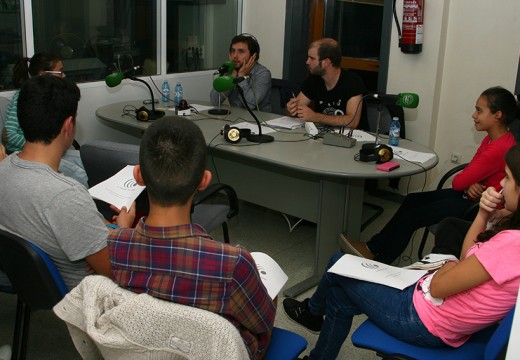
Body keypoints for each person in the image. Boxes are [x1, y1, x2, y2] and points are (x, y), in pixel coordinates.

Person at [283, 144, 520, 359]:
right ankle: (315, 331)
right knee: (338, 296)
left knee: (338, 263)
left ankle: (312, 312)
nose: (500, 184)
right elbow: (470, 256)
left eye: (508, 179)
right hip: (438, 315)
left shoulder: (511, 245)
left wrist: (449, 263)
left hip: (422, 320)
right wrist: (483, 213)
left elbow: (441, 283)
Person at [107, 116, 276, 360]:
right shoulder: (232, 263)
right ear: (204, 181)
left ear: (138, 176)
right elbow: (263, 325)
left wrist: (123, 230)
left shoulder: (114, 245)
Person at [342, 86, 519, 264]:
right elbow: (473, 171)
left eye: (479, 111)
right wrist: (472, 182)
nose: (474, 115)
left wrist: (470, 181)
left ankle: (379, 260)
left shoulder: (498, 148)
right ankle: (372, 249)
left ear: (498, 115)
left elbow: (459, 182)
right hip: (473, 194)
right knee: (412, 200)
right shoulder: (494, 138)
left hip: (479, 206)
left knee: (412, 217)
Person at [0, 76, 135, 290]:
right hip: (86, 296)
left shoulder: (4, 169)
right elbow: (114, 270)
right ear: (68, 125)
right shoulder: (65, 195)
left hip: (32, 283)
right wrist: (124, 231)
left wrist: (100, 238)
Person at [5, 52, 89, 187]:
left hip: (49, 149)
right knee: (79, 174)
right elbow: (9, 136)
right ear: (42, 74)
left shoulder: (51, 98)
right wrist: (41, 146)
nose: (64, 76)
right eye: (60, 72)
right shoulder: (24, 97)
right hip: (34, 153)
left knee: (86, 160)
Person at [286, 38, 366, 128]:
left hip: (353, 138)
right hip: (322, 136)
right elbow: (296, 110)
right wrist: (291, 109)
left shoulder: (352, 81)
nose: (307, 62)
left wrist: (315, 117)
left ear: (326, 62)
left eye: (312, 58)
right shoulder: (314, 79)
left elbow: (352, 121)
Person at [210, 33, 272, 112]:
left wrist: (241, 77)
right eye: (233, 51)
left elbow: (251, 105)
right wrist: (231, 77)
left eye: (241, 51)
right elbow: (215, 101)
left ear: (253, 56)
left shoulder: (263, 74)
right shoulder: (231, 70)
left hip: (257, 121)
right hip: (235, 118)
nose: (235, 56)